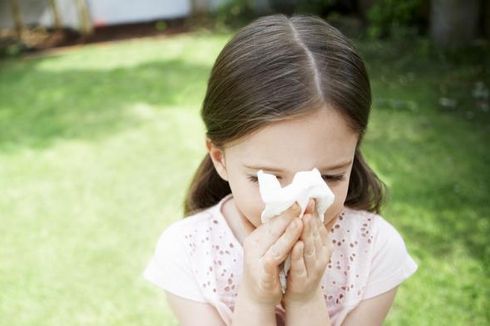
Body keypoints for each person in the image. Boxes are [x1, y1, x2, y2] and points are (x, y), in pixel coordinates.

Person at [143, 14, 418, 326]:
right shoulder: (187, 252)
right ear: (220, 158)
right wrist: (256, 298)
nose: (299, 207)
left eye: (329, 177)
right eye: (268, 179)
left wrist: (305, 298)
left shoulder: (375, 249)